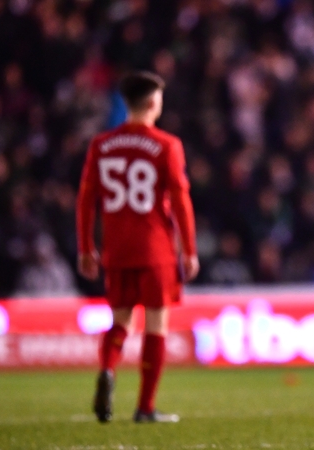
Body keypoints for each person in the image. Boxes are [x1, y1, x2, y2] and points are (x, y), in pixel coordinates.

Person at [76, 71, 199, 424]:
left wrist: (86, 247)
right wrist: (189, 250)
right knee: (156, 324)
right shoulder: (166, 145)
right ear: (152, 103)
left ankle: (107, 368)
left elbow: (86, 201)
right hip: (155, 247)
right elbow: (180, 201)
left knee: (120, 321)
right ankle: (145, 407)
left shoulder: (101, 144)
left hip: (116, 248)